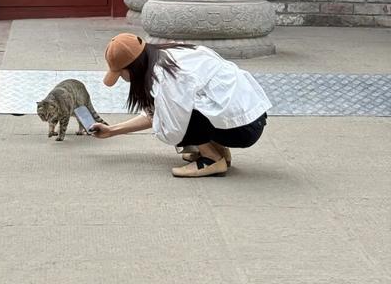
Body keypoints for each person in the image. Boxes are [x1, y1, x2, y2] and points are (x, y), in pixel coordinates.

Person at [91, 33, 271, 178]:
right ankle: (219, 150)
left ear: (132, 68)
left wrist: (166, 130)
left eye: (120, 73)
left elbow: (171, 127)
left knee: (176, 117)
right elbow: (156, 112)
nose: (122, 78)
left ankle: (212, 159)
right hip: (249, 118)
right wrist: (111, 130)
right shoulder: (170, 53)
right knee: (179, 109)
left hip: (242, 129)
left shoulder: (165, 76)